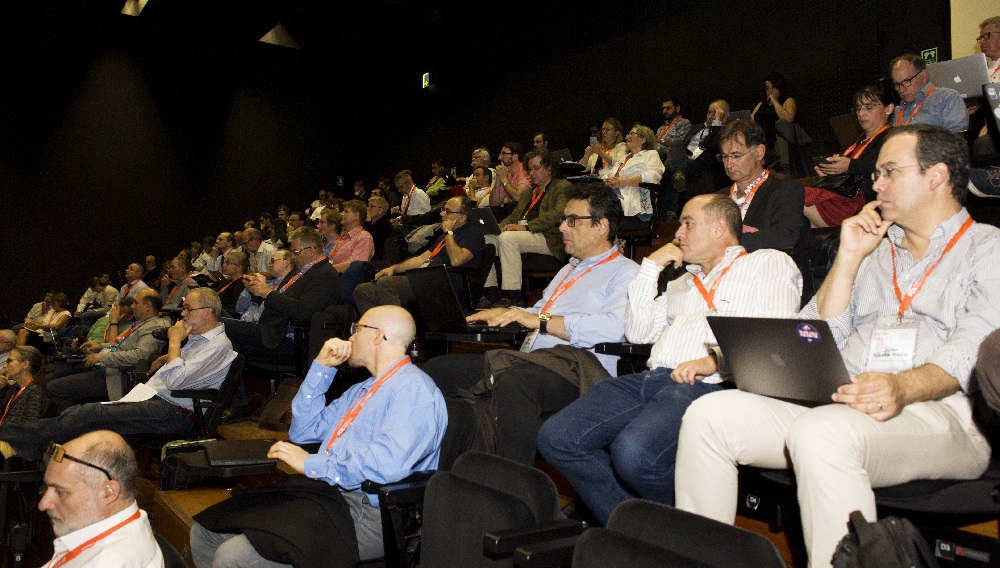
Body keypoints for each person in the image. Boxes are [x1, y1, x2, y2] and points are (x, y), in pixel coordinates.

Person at [674, 125, 1000, 568]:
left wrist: (901, 387)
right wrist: (847, 258)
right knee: (709, 416)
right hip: (844, 398)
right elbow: (812, 331)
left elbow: (976, 347)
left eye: (889, 172)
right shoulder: (874, 252)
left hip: (947, 411)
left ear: (937, 176)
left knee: (819, 433)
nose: (875, 183)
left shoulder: (988, 247)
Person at [537, 194, 801, 524]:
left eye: (688, 223)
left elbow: (773, 336)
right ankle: (636, 527)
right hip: (653, 380)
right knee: (557, 437)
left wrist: (713, 360)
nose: (679, 233)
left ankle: (679, 532)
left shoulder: (767, 264)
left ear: (720, 228)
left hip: (709, 384)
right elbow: (637, 332)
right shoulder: (682, 282)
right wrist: (648, 270)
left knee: (633, 453)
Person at [189, 306, 447, 567]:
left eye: (357, 329)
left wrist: (313, 464)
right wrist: (321, 368)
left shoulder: (414, 391)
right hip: (332, 497)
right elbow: (304, 431)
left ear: (379, 336)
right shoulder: (362, 390)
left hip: (375, 514)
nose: (351, 337)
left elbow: (386, 466)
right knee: (206, 532)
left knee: (234, 557)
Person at [435, 184, 639, 465]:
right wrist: (504, 311)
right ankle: (447, 472)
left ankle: (512, 487)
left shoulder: (627, 272)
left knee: (517, 383)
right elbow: (538, 312)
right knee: (440, 369)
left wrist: (538, 319)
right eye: (563, 220)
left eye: (571, 221)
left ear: (601, 226)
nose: (562, 228)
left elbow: (613, 328)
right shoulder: (569, 269)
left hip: (580, 371)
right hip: (536, 363)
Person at [0, 288, 237, 462]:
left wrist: (173, 343)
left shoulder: (217, 346)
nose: (183, 314)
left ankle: (13, 437)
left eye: (188, 309)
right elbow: (186, 369)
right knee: (78, 414)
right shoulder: (200, 340)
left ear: (207, 312)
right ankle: (29, 447)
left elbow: (176, 381)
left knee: (88, 413)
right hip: (154, 399)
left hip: (175, 412)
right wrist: (167, 357)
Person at [38, 430, 164, 567]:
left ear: (109, 493)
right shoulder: (121, 523)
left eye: (60, 492)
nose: (43, 504)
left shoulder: (108, 562)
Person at [223, 228, 340, 364]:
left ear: (312, 250)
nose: (293, 256)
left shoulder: (324, 274)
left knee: (219, 326)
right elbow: (279, 299)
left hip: (285, 339)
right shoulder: (299, 271)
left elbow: (305, 312)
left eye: (296, 252)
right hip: (269, 328)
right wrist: (258, 290)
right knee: (217, 322)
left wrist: (267, 293)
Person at [354, 196, 485, 314]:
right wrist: (394, 268)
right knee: (362, 291)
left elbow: (457, 260)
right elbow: (422, 258)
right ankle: (377, 332)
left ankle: (397, 333)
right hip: (423, 278)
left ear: (462, 217)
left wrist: (449, 233)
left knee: (387, 283)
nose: (441, 213)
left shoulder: (473, 234)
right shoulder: (445, 236)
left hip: (443, 284)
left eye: (448, 211)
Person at [45, 289, 169, 410]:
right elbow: (120, 346)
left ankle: (71, 426)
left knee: (54, 388)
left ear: (147, 306)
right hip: (102, 368)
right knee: (47, 380)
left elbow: (140, 356)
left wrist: (102, 357)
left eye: (136, 302)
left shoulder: (154, 326)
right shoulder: (141, 323)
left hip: (113, 376)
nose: (132, 306)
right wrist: (99, 346)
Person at [806, 83, 895, 228]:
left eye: (869, 107)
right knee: (795, 206)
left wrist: (849, 165)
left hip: (860, 205)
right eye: (858, 108)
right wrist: (830, 173)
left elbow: (886, 171)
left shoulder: (893, 138)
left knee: (793, 194)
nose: (861, 113)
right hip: (844, 198)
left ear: (889, 108)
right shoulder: (858, 140)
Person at [494, 149, 571, 306]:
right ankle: (491, 295)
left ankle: (514, 299)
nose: (532, 173)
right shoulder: (529, 192)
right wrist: (499, 226)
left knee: (507, 238)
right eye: (530, 169)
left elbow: (558, 214)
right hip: (525, 235)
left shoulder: (562, 186)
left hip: (548, 237)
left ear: (549, 167)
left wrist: (528, 227)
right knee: (489, 238)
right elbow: (514, 216)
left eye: (536, 168)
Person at [716, 119, 806, 253]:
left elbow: (786, 235)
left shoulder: (785, 190)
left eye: (736, 155)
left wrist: (729, 243)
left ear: (759, 152)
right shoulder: (717, 198)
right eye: (724, 157)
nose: (729, 164)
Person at [601, 124, 665, 230]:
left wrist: (623, 182)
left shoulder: (651, 154)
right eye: (628, 133)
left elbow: (652, 177)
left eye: (632, 133)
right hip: (613, 198)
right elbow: (608, 174)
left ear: (643, 139)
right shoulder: (624, 158)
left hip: (633, 206)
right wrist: (606, 181)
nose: (628, 136)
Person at [890, 53, 967, 133]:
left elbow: (957, 138)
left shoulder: (947, 98)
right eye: (897, 84)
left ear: (924, 76)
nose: (902, 89)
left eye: (906, 81)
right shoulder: (895, 112)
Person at [668, 99, 730, 196]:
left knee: (670, 164)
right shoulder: (696, 128)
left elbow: (714, 145)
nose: (710, 116)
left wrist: (717, 123)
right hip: (687, 157)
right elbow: (683, 146)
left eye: (715, 114)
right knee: (677, 143)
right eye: (709, 112)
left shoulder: (725, 132)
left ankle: (678, 174)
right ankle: (678, 174)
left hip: (702, 162)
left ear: (724, 118)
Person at [751, 72, 798, 170]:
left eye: (773, 87)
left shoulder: (787, 101)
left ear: (779, 87)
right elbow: (750, 121)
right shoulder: (760, 105)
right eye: (767, 88)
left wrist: (775, 102)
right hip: (761, 139)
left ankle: (785, 166)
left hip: (778, 141)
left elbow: (788, 119)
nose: (770, 91)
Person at [0, 346, 47, 434]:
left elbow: (29, 428)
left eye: (9, 361)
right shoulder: (14, 387)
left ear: (25, 365)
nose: (5, 366)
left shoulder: (35, 392)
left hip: (12, 442)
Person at [329, 200, 375, 273]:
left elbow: (356, 265)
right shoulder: (343, 236)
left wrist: (327, 270)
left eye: (346, 212)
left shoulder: (364, 237)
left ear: (356, 215)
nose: (342, 214)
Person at [655, 97, 693, 162]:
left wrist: (660, 140)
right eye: (663, 108)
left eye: (668, 108)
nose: (664, 111)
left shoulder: (684, 124)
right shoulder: (661, 128)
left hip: (670, 158)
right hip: (654, 157)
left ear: (677, 109)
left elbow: (679, 145)